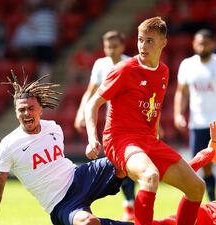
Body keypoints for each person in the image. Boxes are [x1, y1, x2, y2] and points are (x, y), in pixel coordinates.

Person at [84, 17, 205, 225]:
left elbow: (153, 107)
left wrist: (155, 131)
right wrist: (92, 139)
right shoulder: (124, 69)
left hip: (148, 140)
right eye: (140, 40)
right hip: (119, 138)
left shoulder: (164, 72)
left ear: (163, 43)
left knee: (197, 187)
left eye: (149, 40)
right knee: (150, 176)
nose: (143, 45)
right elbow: (92, 104)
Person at [0, 70, 134, 225]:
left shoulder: (54, 128)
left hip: (79, 178)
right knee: (89, 223)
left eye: (31, 108)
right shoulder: (9, 145)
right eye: (21, 110)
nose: (26, 113)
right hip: (60, 204)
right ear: (16, 113)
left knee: (125, 159)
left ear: (40, 110)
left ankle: (142, 202)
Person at [73, 30, 136, 221]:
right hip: (114, 121)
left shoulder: (131, 64)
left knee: (127, 162)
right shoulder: (100, 65)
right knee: (119, 162)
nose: (111, 50)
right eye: (108, 46)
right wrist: (80, 112)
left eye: (114, 46)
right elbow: (91, 91)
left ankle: (131, 204)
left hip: (132, 119)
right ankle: (130, 204)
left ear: (122, 46)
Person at [173, 29, 216, 201]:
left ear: (213, 44)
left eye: (206, 43)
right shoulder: (187, 65)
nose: (202, 46)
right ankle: (214, 203)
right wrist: (178, 114)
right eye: (199, 43)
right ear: (194, 44)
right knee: (206, 166)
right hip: (197, 124)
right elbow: (182, 92)